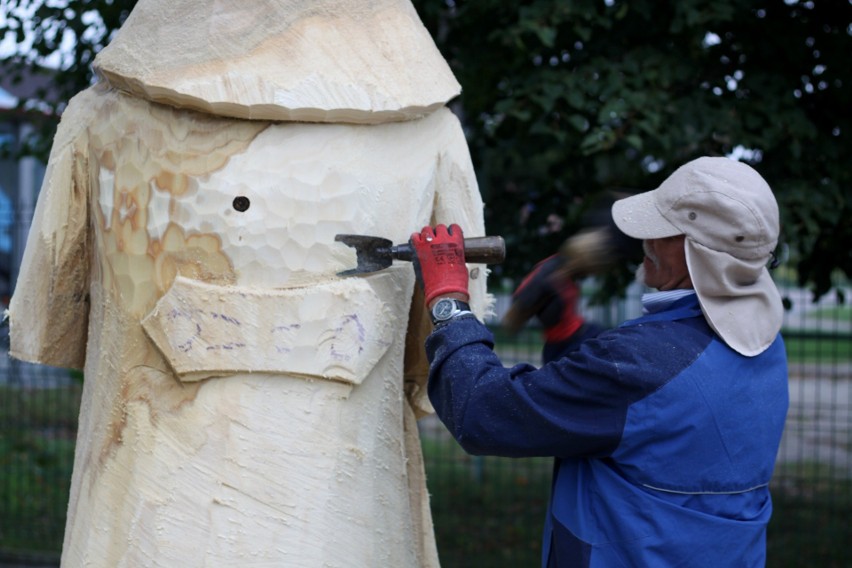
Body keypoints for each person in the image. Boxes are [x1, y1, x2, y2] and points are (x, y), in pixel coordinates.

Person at [409, 156, 789, 567]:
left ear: (692, 250)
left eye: (660, 232)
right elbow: (638, 408)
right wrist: (568, 330)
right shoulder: (764, 347)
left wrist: (449, 302)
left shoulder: (642, 362)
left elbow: (483, 412)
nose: (645, 242)